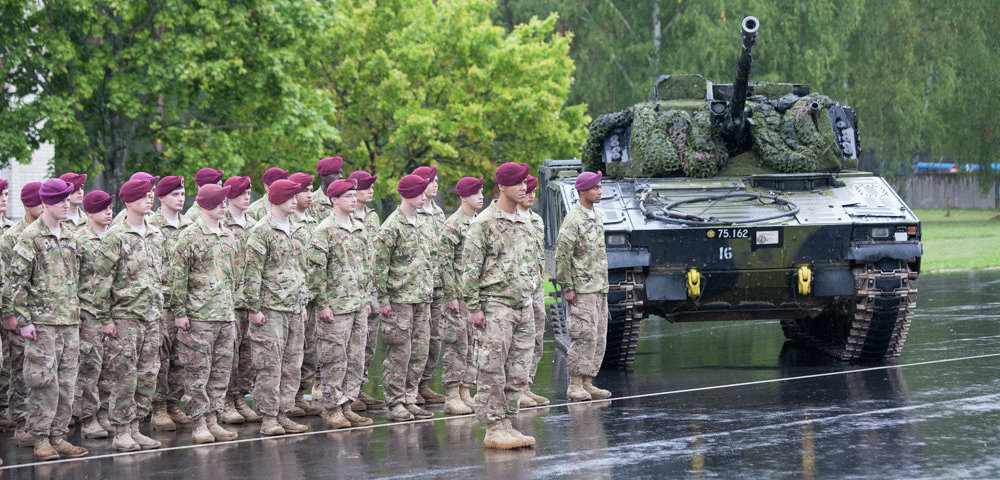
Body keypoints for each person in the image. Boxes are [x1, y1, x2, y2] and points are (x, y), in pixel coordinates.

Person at [6, 178, 89, 460]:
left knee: (67, 384)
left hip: (67, 322)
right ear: (45, 204)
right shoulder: (30, 237)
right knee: (43, 383)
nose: (67, 204)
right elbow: (16, 282)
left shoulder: (69, 235)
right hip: (42, 325)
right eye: (61, 200)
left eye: (68, 199)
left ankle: (58, 435)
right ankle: (40, 437)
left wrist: (76, 314)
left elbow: (76, 278)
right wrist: (24, 319)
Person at [461, 162, 537, 450]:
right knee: (492, 367)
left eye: (524, 183)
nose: (523, 187)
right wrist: (474, 307)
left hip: (522, 304)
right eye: (517, 183)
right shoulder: (484, 223)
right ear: (502, 187)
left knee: (519, 368)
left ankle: (507, 421)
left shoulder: (525, 220)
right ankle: (493, 426)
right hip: (496, 306)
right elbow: (470, 270)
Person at [92, 179, 165, 452]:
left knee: (148, 374)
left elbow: (160, 275)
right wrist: (105, 319)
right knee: (124, 376)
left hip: (151, 315)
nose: (150, 199)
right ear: (129, 201)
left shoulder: (155, 234)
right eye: (144, 196)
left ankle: (136, 427)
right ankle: (121, 430)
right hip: (125, 316)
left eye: (150, 195)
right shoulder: (116, 236)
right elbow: (100, 282)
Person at [168, 184, 240, 444]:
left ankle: (213, 418)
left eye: (225, 202)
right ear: (207, 205)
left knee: (220, 373)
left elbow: (236, 275)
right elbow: (178, 278)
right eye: (220, 202)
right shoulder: (189, 237)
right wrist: (180, 312)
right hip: (199, 317)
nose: (224, 206)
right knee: (197, 373)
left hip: (225, 314)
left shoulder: (228, 236)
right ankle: (198, 422)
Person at [242, 179, 311, 436]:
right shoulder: (262, 231)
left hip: (293, 308)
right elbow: (252, 274)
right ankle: (269, 418)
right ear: (278, 199)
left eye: (296, 196)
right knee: (269, 365)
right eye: (291, 196)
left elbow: (301, 270)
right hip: (269, 309)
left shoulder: (298, 230)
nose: (296, 200)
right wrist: (253, 307)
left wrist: (302, 303)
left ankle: (284, 412)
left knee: (292, 364)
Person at [307, 179, 374, 429]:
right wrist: (322, 303)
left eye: (355, 195)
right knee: (335, 358)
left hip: (357, 304)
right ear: (333, 199)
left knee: (356, 358)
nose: (354, 199)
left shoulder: (359, 227)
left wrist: (366, 298)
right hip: (335, 307)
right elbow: (315, 271)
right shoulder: (324, 230)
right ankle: (333, 408)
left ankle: (347, 403)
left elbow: (366, 265)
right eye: (348, 196)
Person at [374, 174, 435, 422]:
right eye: (419, 193)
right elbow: (379, 266)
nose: (423, 198)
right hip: (399, 299)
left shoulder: (422, 223)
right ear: (407, 194)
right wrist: (383, 299)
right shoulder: (392, 227)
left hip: (421, 297)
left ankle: (410, 397)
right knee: (400, 352)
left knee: (419, 352)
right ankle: (396, 402)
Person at [555, 171, 612, 402]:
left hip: (598, 286)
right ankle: (575, 384)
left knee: (598, 337)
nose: (599, 191)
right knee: (583, 335)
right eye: (595, 188)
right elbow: (562, 256)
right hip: (582, 289)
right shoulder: (573, 220)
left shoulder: (596, 217)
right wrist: (568, 287)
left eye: (600, 187)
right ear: (582, 191)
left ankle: (588, 381)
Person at [148, 175, 194, 430]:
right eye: (175, 194)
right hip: (162, 303)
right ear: (161, 197)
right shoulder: (151, 225)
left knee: (180, 358)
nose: (180, 198)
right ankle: (158, 407)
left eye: (183, 193)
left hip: (185, 302)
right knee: (161, 357)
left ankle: (174, 403)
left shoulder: (189, 225)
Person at [1, 182, 44, 448]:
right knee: (19, 367)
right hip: (18, 311)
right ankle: (21, 421)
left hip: (43, 313)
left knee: (40, 371)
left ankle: (38, 420)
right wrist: (10, 313)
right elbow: (8, 281)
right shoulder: (13, 237)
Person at [219, 176, 263, 424]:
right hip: (230, 300)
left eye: (249, 192)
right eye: (242, 193)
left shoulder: (254, 224)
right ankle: (226, 400)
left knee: (248, 355)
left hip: (250, 298)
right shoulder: (222, 224)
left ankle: (240, 398)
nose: (247, 196)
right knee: (230, 355)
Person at [73, 190, 116, 440]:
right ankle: (88, 418)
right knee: (89, 368)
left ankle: (104, 413)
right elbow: (71, 278)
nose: (109, 212)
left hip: (110, 312)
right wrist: (75, 310)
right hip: (88, 311)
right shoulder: (79, 239)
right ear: (89, 212)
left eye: (110, 207)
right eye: (102, 208)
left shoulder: (113, 237)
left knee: (109, 368)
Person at [440, 176, 484, 415]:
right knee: (457, 345)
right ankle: (452, 394)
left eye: (481, 192)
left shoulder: (478, 222)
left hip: (473, 295)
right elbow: (444, 263)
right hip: (457, 294)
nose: (481, 196)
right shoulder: (453, 225)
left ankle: (466, 390)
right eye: (476, 192)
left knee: (473, 345)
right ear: (463, 196)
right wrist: (450, 295)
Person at [347, 170, 386, 412]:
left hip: (370, 286)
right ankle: (348, 393)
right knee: (351, 344)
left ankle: (359, 387)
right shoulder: (347, 217)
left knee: (369, 343)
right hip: (351, 289)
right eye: (366, 187)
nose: (371, 190)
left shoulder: (372, 217)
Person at [411, 166, 446, 405]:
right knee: (416, 340)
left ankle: (424, 383)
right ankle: (410, 388)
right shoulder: (412, 213)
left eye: (435, 181)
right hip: (417, 287)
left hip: (437, 284)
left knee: (435, 338)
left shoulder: (439, 213)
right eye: (429, 181)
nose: (434, 184)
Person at [288, 172, 322, 417]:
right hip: (292, 298)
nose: (310, 195)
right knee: (292, 352)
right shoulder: (287, 223)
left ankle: (301, 394)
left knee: (311, 351)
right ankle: (287, 398)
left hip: (312, 296)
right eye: (305, 191)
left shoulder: (313, 222)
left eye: (312, 190)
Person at [517, 175, 550, 407]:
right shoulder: (512, 219)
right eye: (527, 191)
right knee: (520, 341)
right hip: (519, 289)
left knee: (537, 338)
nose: (531, 195)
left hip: (536, 286)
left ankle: (526, 384)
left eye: (533, 191)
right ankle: (516, 387)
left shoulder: (537, 220)